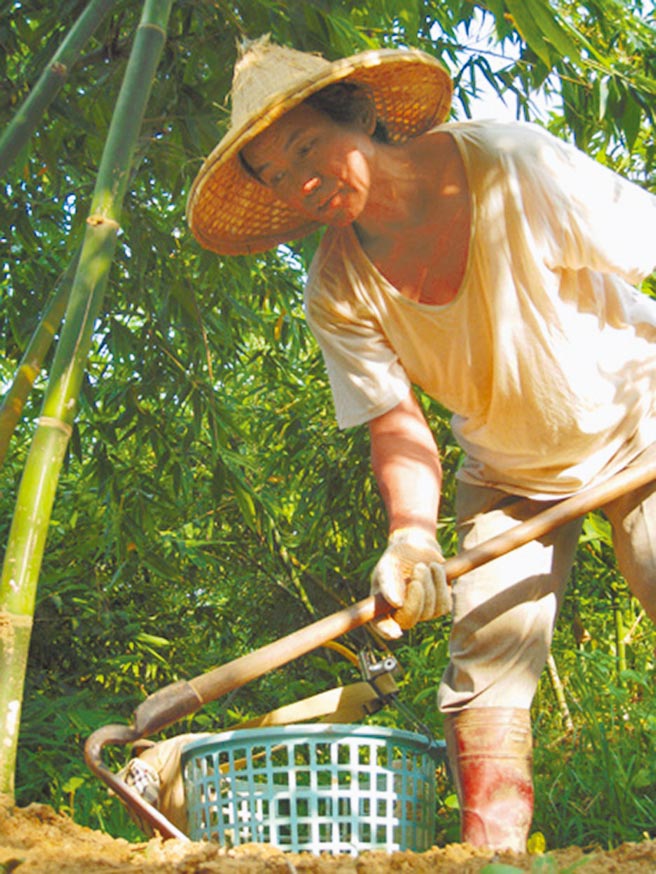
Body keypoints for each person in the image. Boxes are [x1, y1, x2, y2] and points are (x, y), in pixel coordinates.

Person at [186, 36, 656, 853]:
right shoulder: (336, 284)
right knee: (483, 670)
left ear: (361, 117)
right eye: (278, 172)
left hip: (640, 420)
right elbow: (394, 421)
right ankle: (492, 858)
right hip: (512, 472)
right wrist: (410, 536)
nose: (305, 180)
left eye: (308, 146)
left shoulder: (510, 165)